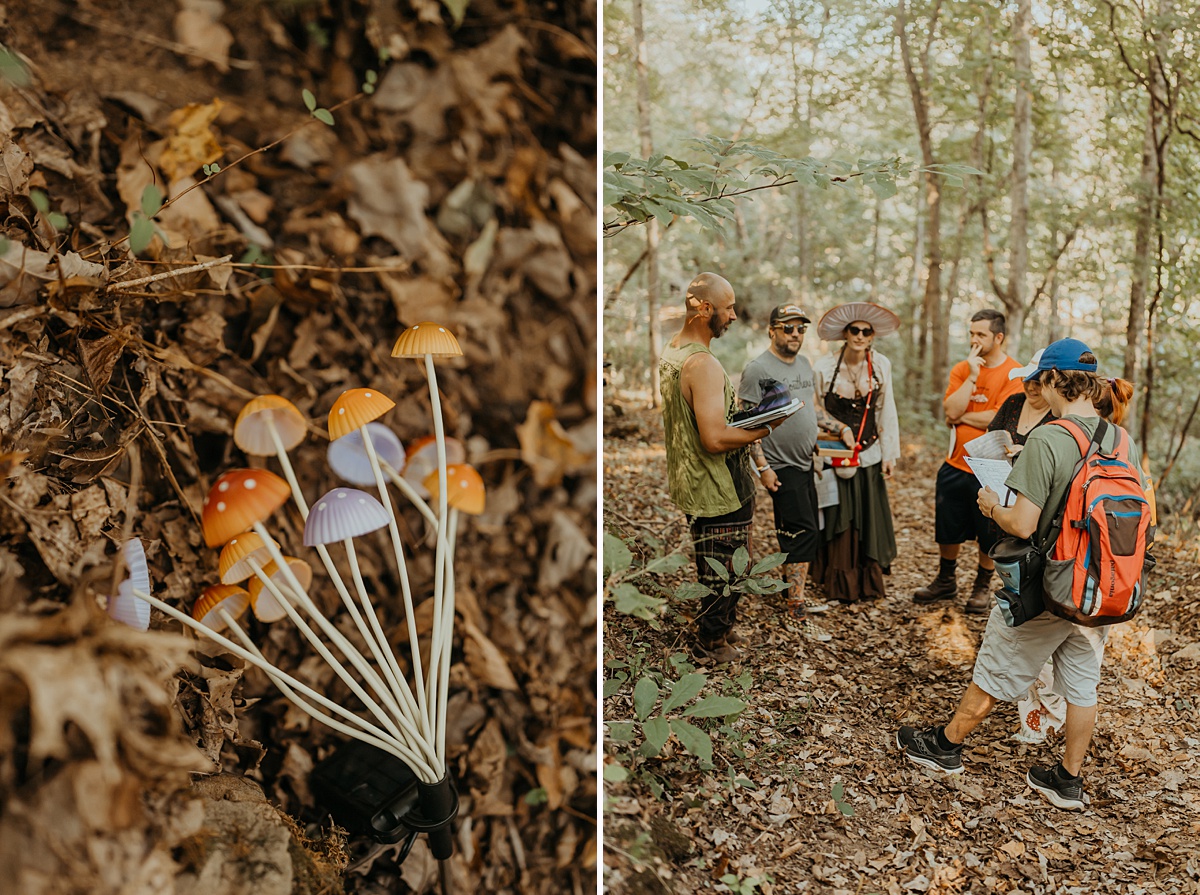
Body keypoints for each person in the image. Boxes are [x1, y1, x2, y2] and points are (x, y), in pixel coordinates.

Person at [897, 337, 1143, 811]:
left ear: (1053, 379)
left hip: (1047, 582)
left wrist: (992, 504)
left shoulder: (1051, 436)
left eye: (1040, 380)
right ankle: (1066, 780)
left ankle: (945, 747)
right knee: (1082, 683)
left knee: (997, 667)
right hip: (1098, 584)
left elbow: (1023, 523)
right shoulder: (1120, 438)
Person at [659, 272, 787, 663]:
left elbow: (702, 418)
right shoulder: (703, 364)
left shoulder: (673, 351)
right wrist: (767, 426)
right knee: (724, 571)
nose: (734, 315)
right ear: (704, 308)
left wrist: (744, 418)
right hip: (718, 486)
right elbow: (713, 439)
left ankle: (721, 634)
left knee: (715, 563)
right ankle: (709, 645)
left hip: (694, 481)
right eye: (729, 307)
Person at [913, 310, 1023, 609]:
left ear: (998, 337)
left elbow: (999, 420)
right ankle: (946, 581)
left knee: (988, 530)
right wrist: (972, 379)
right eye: (971, 333)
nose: (974, 340)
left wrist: (963, 416)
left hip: (991, 468)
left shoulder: (1013, 373)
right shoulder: (963, 368)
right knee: (947, 526)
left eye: (981, 335)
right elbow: (950, 411)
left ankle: (981, 586)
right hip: (955, 463)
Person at [810, 302, 900, 603]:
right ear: (845, 334)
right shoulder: (824, 366)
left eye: (866, 331)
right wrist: (833, 435)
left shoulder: (882, 365)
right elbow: (815, 408)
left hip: (869, 453)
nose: (860, 336)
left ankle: (867, 583)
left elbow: (887, 410)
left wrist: (890, 454)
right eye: (854, 330)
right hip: (834, 454)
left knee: (866, 515)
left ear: (872, 336)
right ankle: (838, 582)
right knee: (839, 517)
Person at [738, 303, 824, 619]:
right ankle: (795, 602)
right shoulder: (758, 369)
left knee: (807, 528)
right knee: (799, 531)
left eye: (801, 328)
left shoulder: (804, 364)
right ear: (772, 330)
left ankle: (794, 593)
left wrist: (837, 428)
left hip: (805, 462)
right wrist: (762, 467)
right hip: (780, 464)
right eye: (788, 327)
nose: (796, 333)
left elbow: (810, 409)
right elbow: (745, 422)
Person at [968, 348, 1055, 614]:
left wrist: (1025, 453)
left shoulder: (1057, 417)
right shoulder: (1014, 402)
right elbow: (992, 431)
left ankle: (1022, 598)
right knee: (989, 534)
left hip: (1033, 496)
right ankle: (986, 582)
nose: (1031, 387)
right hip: (999, 483)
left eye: (1038, 382)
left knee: (1025, 548)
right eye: (1027, 380)